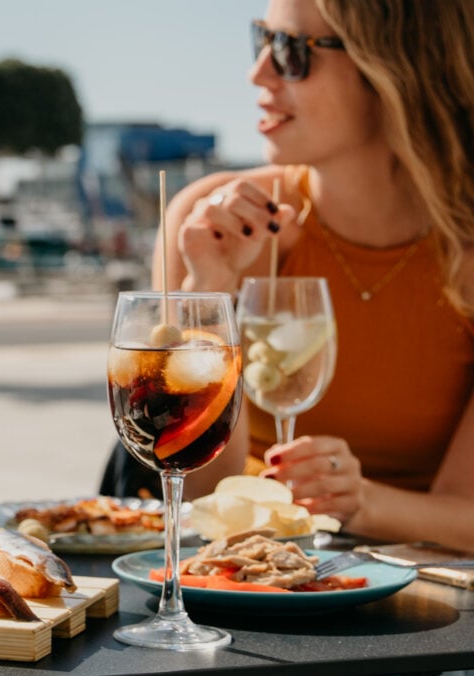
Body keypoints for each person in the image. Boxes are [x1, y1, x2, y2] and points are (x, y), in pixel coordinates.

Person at [136, 0, 474, 553]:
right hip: (243, 576)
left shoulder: (464, 251)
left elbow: (467, 516)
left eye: (291, 52)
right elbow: (199, 490)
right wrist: (210, 293)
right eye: (260, 41)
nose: (258, 72)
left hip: (426, 600)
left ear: (395, 68)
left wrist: (355, 500)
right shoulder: (213, 221)